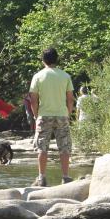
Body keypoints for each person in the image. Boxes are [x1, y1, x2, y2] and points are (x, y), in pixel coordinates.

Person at [29, 48, 74, 187]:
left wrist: (36, 115)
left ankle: (41, 177)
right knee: (64, 146)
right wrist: (68, 114)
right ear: (57, 59)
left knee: (42, 147)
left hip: (44, 114)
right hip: (62, 114)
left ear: (43, 60)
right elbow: (70, 99)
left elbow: (33, 100)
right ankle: (65, 177)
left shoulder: (38, 76)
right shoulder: (65, 76)